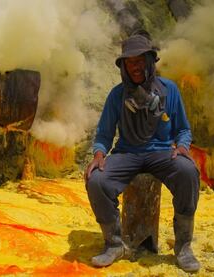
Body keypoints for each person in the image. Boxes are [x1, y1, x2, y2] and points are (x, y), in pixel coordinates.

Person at [84, 30, 200, 273]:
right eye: (129, 63)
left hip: (162, 154)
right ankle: (114, 244)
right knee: (96, 180)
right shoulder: (117, 95)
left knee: (188, 171)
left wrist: (181, 147)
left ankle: (183, 247)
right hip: (127, 154)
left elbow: (183, 130)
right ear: (123, 67)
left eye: (139, 61)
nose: (135, 67)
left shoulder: (169, 90)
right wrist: (98, 154)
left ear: (149, 61)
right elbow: (104, 134)